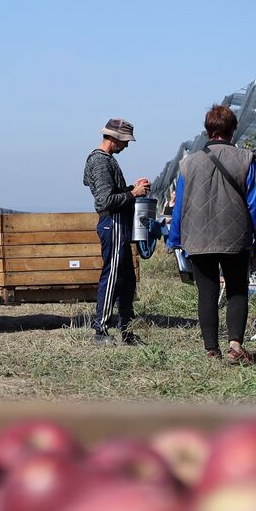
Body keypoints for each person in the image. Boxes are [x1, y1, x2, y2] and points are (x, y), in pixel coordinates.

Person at [168, 105, 256, 364]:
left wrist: (174, 238)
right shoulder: (245, 159)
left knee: (207, 292)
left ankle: (211, 349)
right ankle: (235, 345)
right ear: (233, 129)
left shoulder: (188, 163)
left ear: (207, 130)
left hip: (198, 236)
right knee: (237, 289)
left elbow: (180, 204)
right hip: (235, 236)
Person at [83, 118, 150, 345]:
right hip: (112, 224)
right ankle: (100, 330)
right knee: (112, 278)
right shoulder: (101, 162)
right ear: (115, 138)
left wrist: (132, 188)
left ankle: (127, 332)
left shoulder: (103, 160)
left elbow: (108, 192)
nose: (127, 146)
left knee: (126, 281)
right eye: (125, 141)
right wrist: (133, 194)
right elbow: (105, 200)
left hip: (118, 225)